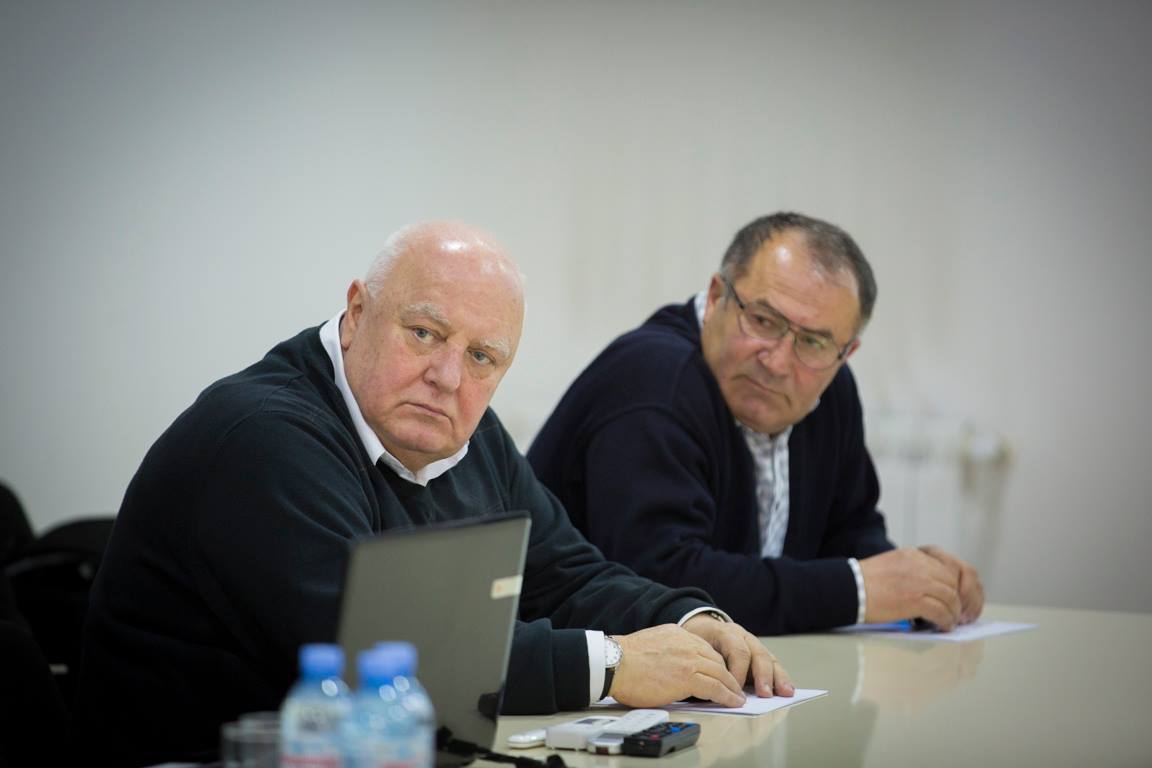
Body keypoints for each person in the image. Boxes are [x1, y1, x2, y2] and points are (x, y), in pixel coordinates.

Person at [76, 221, 792, 766]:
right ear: (357, 312)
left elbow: (565, 572)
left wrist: (687, 619)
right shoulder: (262, 437)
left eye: (482, 357)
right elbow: (380, 652)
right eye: (424, 333)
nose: (448, 377)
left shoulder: (460, 432)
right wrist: (612, 665)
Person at [528, 212, 984, 637]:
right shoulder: (653, 381)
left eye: (814, 343)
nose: (779, 362)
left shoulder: (830, 391)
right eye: (764, 321)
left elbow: (848, 531)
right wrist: (858, 589)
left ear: (845, 354)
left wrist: (915, 582)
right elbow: (660, 583)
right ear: (716, 297)